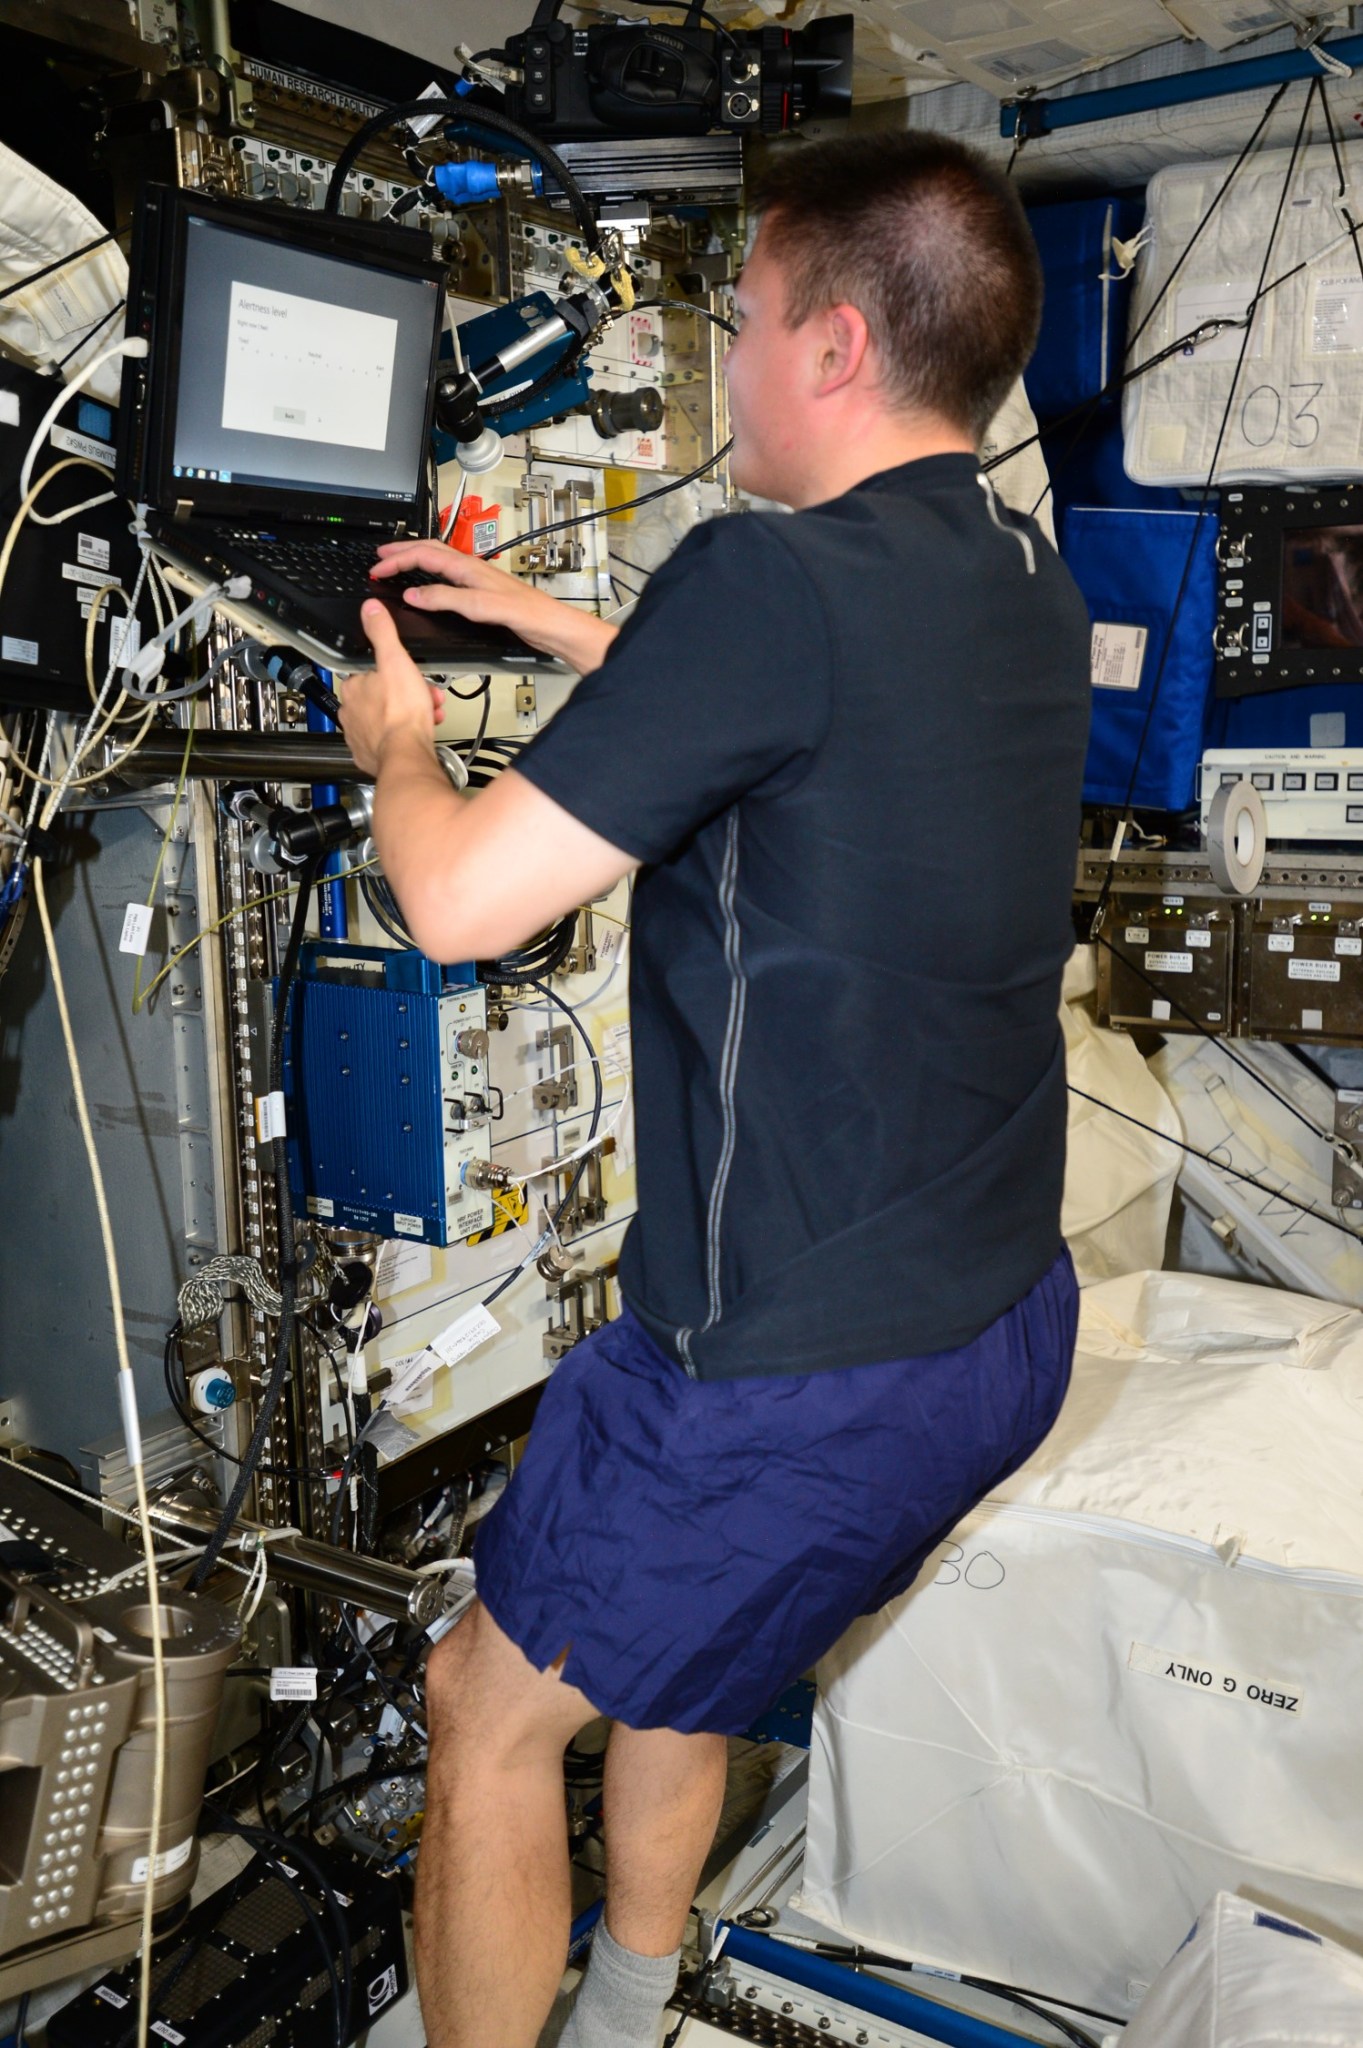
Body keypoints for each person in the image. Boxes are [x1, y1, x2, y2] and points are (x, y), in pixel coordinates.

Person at [336, 130, 1092, 2048]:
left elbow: (447, 902)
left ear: (833, 345)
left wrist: (400, 738)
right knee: (690, 1655)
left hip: (796, 1366)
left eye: (741, 319)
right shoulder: (1014, 563)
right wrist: (564, 633)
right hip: (997, 1324)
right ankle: (630, 2007)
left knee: (487, 1710)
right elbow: (818, 694)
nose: (729, 356)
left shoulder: (765, 580)